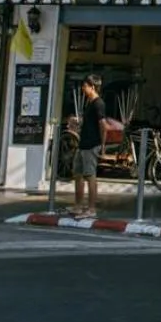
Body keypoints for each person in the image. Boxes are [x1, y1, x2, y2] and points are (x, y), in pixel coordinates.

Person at [72, 74, 105, 219]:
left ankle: (92, 208)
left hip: (92, 145)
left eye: (85, 86)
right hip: (83, 143)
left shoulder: (98, 103)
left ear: (92, 87)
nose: (83, 89)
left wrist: (102, 146)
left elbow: (103, 125)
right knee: (78, 174)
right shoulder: (89, 103)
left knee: (90, 176)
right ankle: (78, 205)